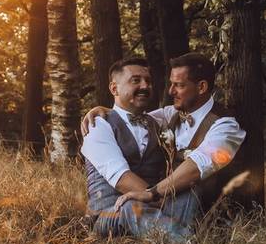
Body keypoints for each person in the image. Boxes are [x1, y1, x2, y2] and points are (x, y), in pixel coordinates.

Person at [82, 52, 249, 223]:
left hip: (195, 206)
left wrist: (153, 194)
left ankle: (179, 235)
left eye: (179, 85)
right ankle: (183, 241)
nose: (170, 91)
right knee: (132, 209)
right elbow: (127, 118)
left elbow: (198, 164)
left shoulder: (226, 126)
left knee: (189, 192)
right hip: (122, 210)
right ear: (114, 88)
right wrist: (106, 111)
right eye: (171, 84)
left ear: (201, 87)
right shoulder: (167, 115)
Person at [81, 57, 201, 242]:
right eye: (136, 80)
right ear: (114, 89)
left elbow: (193, 108)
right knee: (130, 206)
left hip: (153, 208)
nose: (145, 86)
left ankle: (167, 234)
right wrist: (162, 198)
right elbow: (121, 178)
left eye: (148, 81)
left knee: (189, 190)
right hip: (109, 214)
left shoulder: (159, 122)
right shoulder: (98, 125)